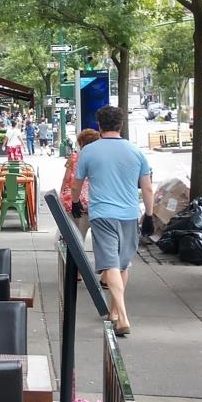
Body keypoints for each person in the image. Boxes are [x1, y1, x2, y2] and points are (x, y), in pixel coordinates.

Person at [71, 106, 154, 336]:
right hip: (129, 214)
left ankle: (122, 316)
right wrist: (149, 215)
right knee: (122, 264)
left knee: (111, 264)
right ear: (121, 125)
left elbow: (76, 183)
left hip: (102, 214)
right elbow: (147, 187)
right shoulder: (136, 152)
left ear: (99, 125)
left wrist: (76, 202)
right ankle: (114, 313)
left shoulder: (89, 152)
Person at [60, 128, 101, 240]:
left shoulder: (74, 157)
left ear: (82, 143)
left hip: (74, 202)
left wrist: (62, 193)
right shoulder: (99, 159)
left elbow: (66, 179)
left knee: (76, 238)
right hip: (93, 203)